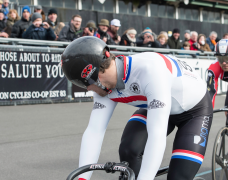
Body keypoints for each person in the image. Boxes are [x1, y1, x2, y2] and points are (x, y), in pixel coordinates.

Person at [61, 36, 213, 180]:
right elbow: (95, 131)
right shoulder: (103, 86)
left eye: (84, 84)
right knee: (129, 150)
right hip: (158, 106)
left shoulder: (149, 71)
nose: (88, 89)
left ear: (97, 75)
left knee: (178, 177)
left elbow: (156, 135)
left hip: (194, 112)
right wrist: (83, 177)